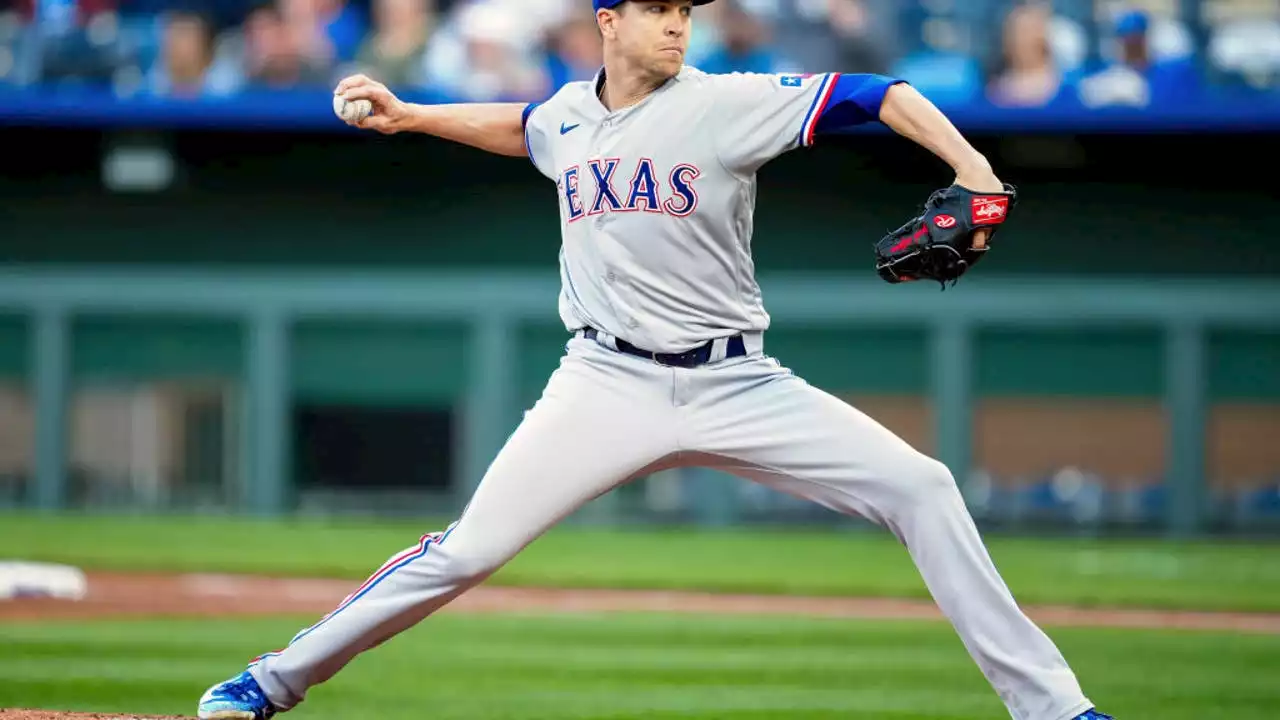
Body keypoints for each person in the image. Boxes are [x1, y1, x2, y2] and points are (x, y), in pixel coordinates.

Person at [195, 2, 1115, 719]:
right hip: (605, 382)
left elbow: (879, 94)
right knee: (466, 551)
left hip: (736, 380)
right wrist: (411, 113)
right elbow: (525, 128)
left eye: (685, 9)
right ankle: (266, 684)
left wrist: (979, 174)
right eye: (657, 8)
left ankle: (1058, 709)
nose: (678, 23)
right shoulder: (566, 116)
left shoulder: (726, 103)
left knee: (923, 487)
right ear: (608, 23)